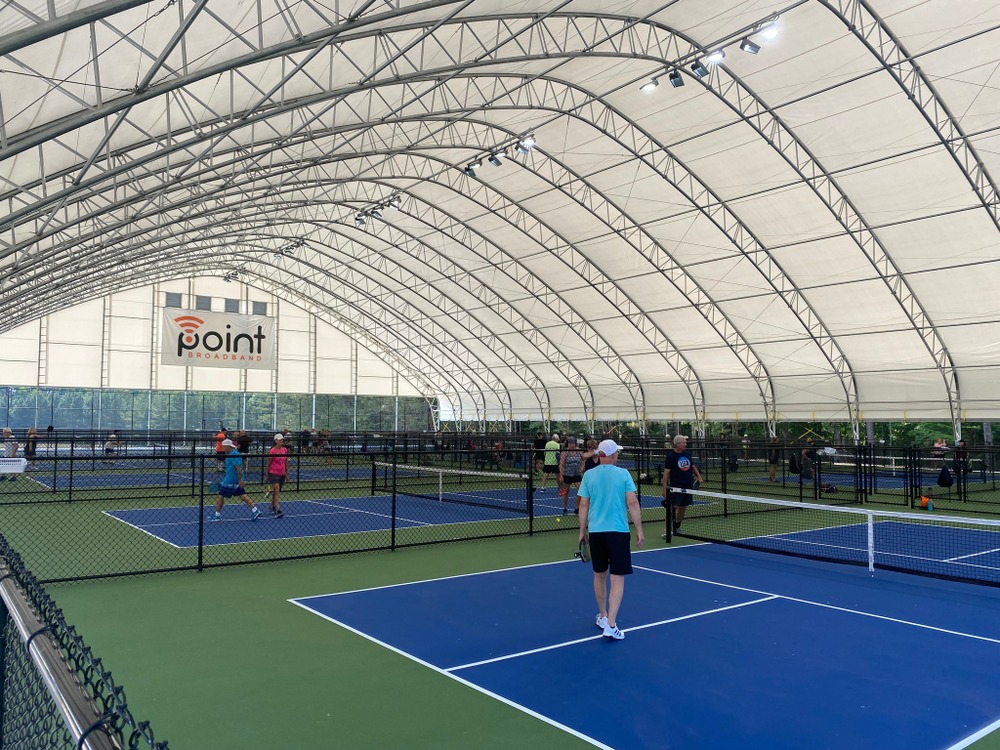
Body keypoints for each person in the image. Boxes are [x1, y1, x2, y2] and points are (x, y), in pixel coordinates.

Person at [577, 438, 644, 641]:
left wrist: (582, 530)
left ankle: (604, 617)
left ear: (600, 455)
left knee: (599, 574)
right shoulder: (623, 474)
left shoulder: (589, 475)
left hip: (596, 532)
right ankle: (611, 624)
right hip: (618, 532)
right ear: (613, 455)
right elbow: (632, 503)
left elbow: (583, 505)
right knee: (617, 578)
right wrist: (639, 530)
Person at [208, 439, 262, 522]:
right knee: (242, 495)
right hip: (233, 479)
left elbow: (238, 468)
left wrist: (240, 480)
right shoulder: (233, 454)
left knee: (220, 495)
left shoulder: (234, 454)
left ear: (228, 446)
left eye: (224, 447)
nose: (223, 448)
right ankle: (255, 510)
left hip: (231, 481)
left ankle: (217, 515)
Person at [661, 434, 704, 536]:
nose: (686, 444)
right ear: (678, 444)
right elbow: (666, 473)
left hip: (688, 486)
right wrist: (664, 489)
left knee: (683, 507)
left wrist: (699, 477)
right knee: (673, 508)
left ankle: (677, 527)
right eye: (684, 442)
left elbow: (692, 467)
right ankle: (667, 530)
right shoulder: (671, 456)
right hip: (676, 487)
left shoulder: (687, 454)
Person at [558, 437, 584, 514]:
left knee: (580, 490)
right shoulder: (565, 452)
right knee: (565, 492)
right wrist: (561, 475)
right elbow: (561, 465)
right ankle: (565, 508)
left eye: (572, 443)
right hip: (567, 474)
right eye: (569, 443)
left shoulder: (579, 451)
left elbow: (583, 461)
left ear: (575, 443)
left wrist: (582, 468)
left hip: (576, 474)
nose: (571, 445)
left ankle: (577, 507)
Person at [265, 433, 289, 517]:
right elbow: (268, 463)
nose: (281, 441)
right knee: (276, 491)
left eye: (282, 439)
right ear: (275, 441)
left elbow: (286, 462)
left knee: (277, 492)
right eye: (279, 439)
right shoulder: (272, 451)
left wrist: (286, 473)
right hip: (273, 473)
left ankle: (272, 506)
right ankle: (277, 509)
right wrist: (267, 475)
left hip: (281, 473)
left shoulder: (285, 450)